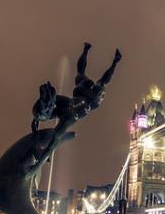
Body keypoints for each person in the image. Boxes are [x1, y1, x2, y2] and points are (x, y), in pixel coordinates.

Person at [29, 42, 121, 171]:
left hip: (90, 101)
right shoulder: (58, 100)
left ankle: (114, 61)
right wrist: (36, 122)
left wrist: (36, 166)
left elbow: (51, 147)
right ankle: (87, 50)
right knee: (81, 74)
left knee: (101, 82)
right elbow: (40, 114)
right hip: (79, 93)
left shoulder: (67, 119)